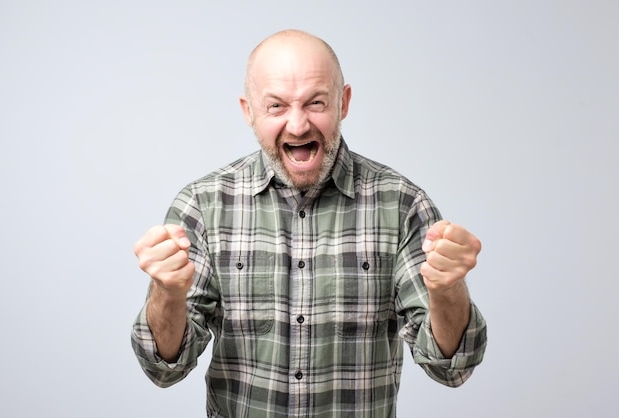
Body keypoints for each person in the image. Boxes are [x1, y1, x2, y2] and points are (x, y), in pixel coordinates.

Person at [131, 29, 487, 417]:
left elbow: (452, 365)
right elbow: (163, 367)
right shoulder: (202, 206)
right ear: (248, 110)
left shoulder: (402, 205)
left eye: (315, 103)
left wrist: (448, 289)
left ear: (343, 102)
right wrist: (167, 292)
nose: (298, 126)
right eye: (277, 106)